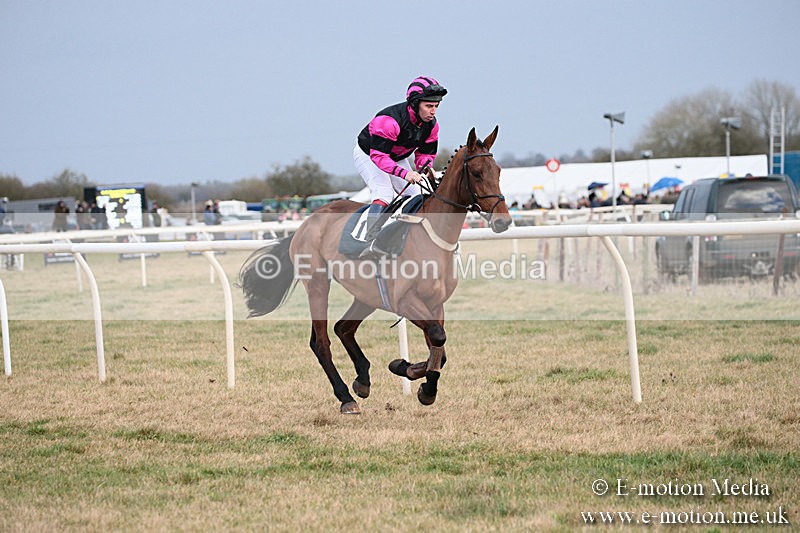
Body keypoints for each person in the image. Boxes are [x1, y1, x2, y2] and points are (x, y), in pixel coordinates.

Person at [354, 75, 447, 259]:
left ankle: (405, 240)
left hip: (396, 156)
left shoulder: (431, 126)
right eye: (429, 106)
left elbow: (425, 154)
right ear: (415, 103)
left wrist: (426, 167)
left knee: (416, 195)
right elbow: (379, 156)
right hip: (370, 154)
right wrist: (405, 174)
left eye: (436, 106)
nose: (433, 111)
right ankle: (369, 242)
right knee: (383, 193)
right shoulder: (388, 121)